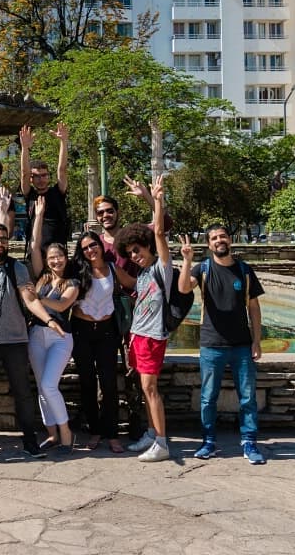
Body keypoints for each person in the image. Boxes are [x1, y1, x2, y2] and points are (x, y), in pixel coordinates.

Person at [0, 223, 66, 459]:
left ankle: (29, 441)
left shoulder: (17, 267)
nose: (0, 243)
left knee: (23, 392)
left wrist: (49, 320)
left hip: (15, 339)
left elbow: (30, 299)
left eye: (3, 239)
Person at [179, 226, 266, 465]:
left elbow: (254, 308)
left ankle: (249, 442)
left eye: (223, 236)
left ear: (230, 240)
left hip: (242, 345)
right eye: (214, 238)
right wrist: (187, 260)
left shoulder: (244, 270)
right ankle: (208, 441)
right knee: (208, 397)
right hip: (211, 344)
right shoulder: (203, 268)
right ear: (209, 244)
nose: (219, 240)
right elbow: (183, 288)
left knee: (247, 397)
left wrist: (257, 341)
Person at [115, 176, 175, 462]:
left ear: (147, 246)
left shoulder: (162, 267)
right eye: (130, 253)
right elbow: (127, 284)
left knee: (150, 389)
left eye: (137, 250)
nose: (134, 255)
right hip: (138, 335)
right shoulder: (141, 274)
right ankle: (152, 434)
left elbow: (160, 232)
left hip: (153, 337)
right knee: (144, 387)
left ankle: (162, 443)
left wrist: (155, 199)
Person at [71, 228, 136, 454]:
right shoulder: (77, 270)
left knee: (109, 384)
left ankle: (112, 434)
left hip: (107, 332)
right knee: (87, 383)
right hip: (82, 331)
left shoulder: (112, 268)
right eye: (85, 248)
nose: (90, 250)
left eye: (93, 245)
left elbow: (134, 283)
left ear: (100, 245)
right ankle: (95, 431)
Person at [27, 196, 79, 455]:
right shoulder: (42, 277)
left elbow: (61, 306)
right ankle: (52, 434)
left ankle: (66, 433)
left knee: (49, 385)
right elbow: (35, 246)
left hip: (60, 337)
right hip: (37, 334)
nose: (55, 261)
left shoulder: (73, 283)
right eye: (51, 258)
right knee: (41, 387)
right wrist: (38, 217)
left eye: (59, 257)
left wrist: (35, 299)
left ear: (66, 258)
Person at [19, 122, 70, 252]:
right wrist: (25, 148)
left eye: (44, 175)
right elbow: (24, 173)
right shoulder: (30, 194)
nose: (40, 179)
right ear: (31, 179)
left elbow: (62, 169)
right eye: (36, 176)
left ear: (49, 176)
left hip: (57, 250)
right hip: (35, 251)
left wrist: (63, 142)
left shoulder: (58, 192)